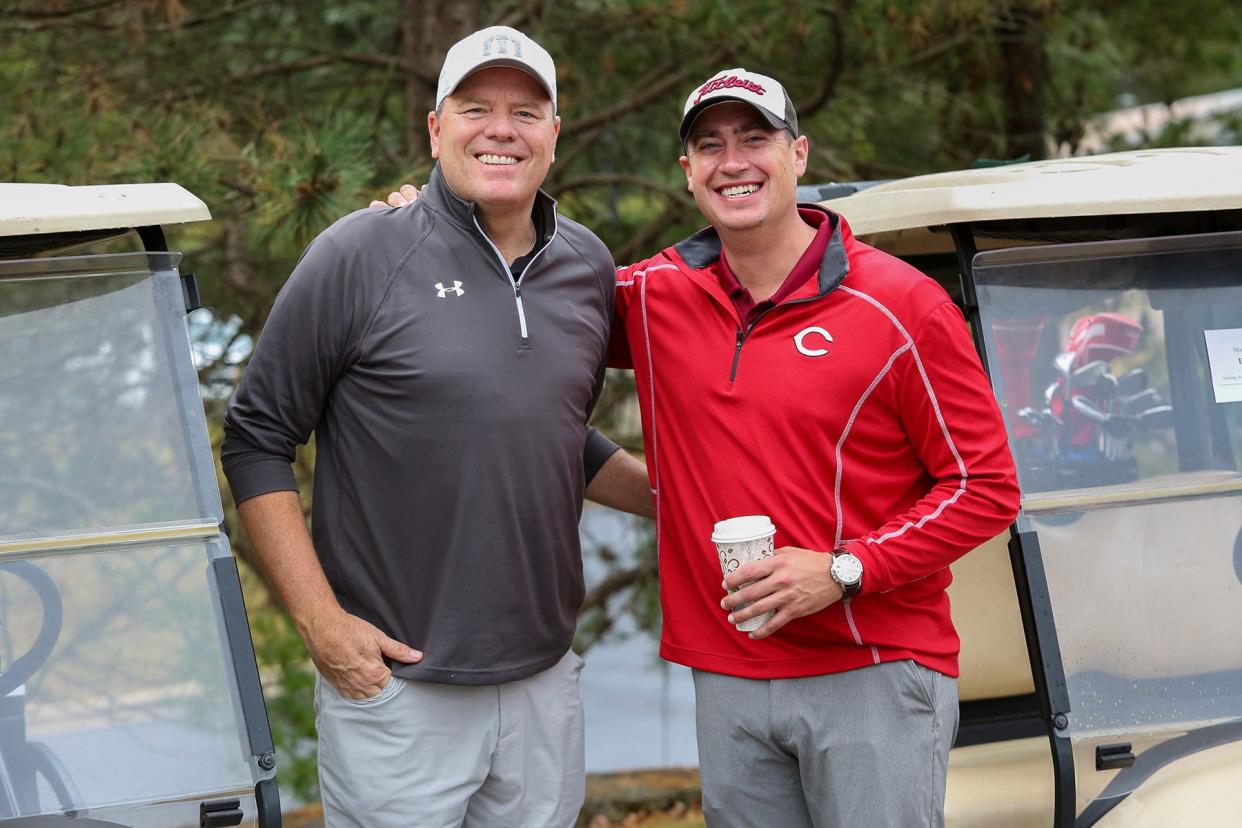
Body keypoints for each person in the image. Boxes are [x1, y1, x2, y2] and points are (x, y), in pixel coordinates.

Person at [375, 68, 1019, 826]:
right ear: (688, 174)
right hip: (727, 674)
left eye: (755, 138)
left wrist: (844, 569)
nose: (732, 161)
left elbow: (986, 487)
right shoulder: (651, 298)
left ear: (798, 155)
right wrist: (435, 230)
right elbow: (519, 329)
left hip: (871, 666)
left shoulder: (902, 303)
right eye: (709, 145)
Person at [222, 26, 650, 828]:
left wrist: (677, 496)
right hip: (398, 691)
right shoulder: (358, 253)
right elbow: (256, 441)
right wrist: (321, 624)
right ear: (435, 127)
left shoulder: (589, 267)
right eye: (475, 107)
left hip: (543, 685)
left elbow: (550, 433)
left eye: (525, 111)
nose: (500, 129)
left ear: (554, 135)